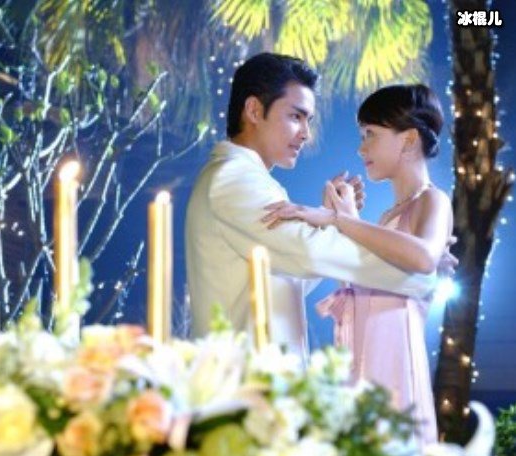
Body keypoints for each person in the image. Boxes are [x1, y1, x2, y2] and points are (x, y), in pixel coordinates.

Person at [184, 53, 440, 365]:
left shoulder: (251, 179)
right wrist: (418, 267)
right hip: (241, 382)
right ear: (254, 110)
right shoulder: (232, 179)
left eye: (309, 120)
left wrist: (329, 221)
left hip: (266, 381)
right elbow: (309, 253)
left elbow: (292, 275)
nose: (306, 133)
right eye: (296, 116)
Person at [262, 83, 451, 447]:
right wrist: (337, 217)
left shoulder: (433, 201)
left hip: (395, 370)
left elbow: (424, 257)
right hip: (362, 366)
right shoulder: (387, 217)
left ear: (409, 139)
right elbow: (366, 265)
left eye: (371, 135)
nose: (361, 148)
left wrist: (341, 220)